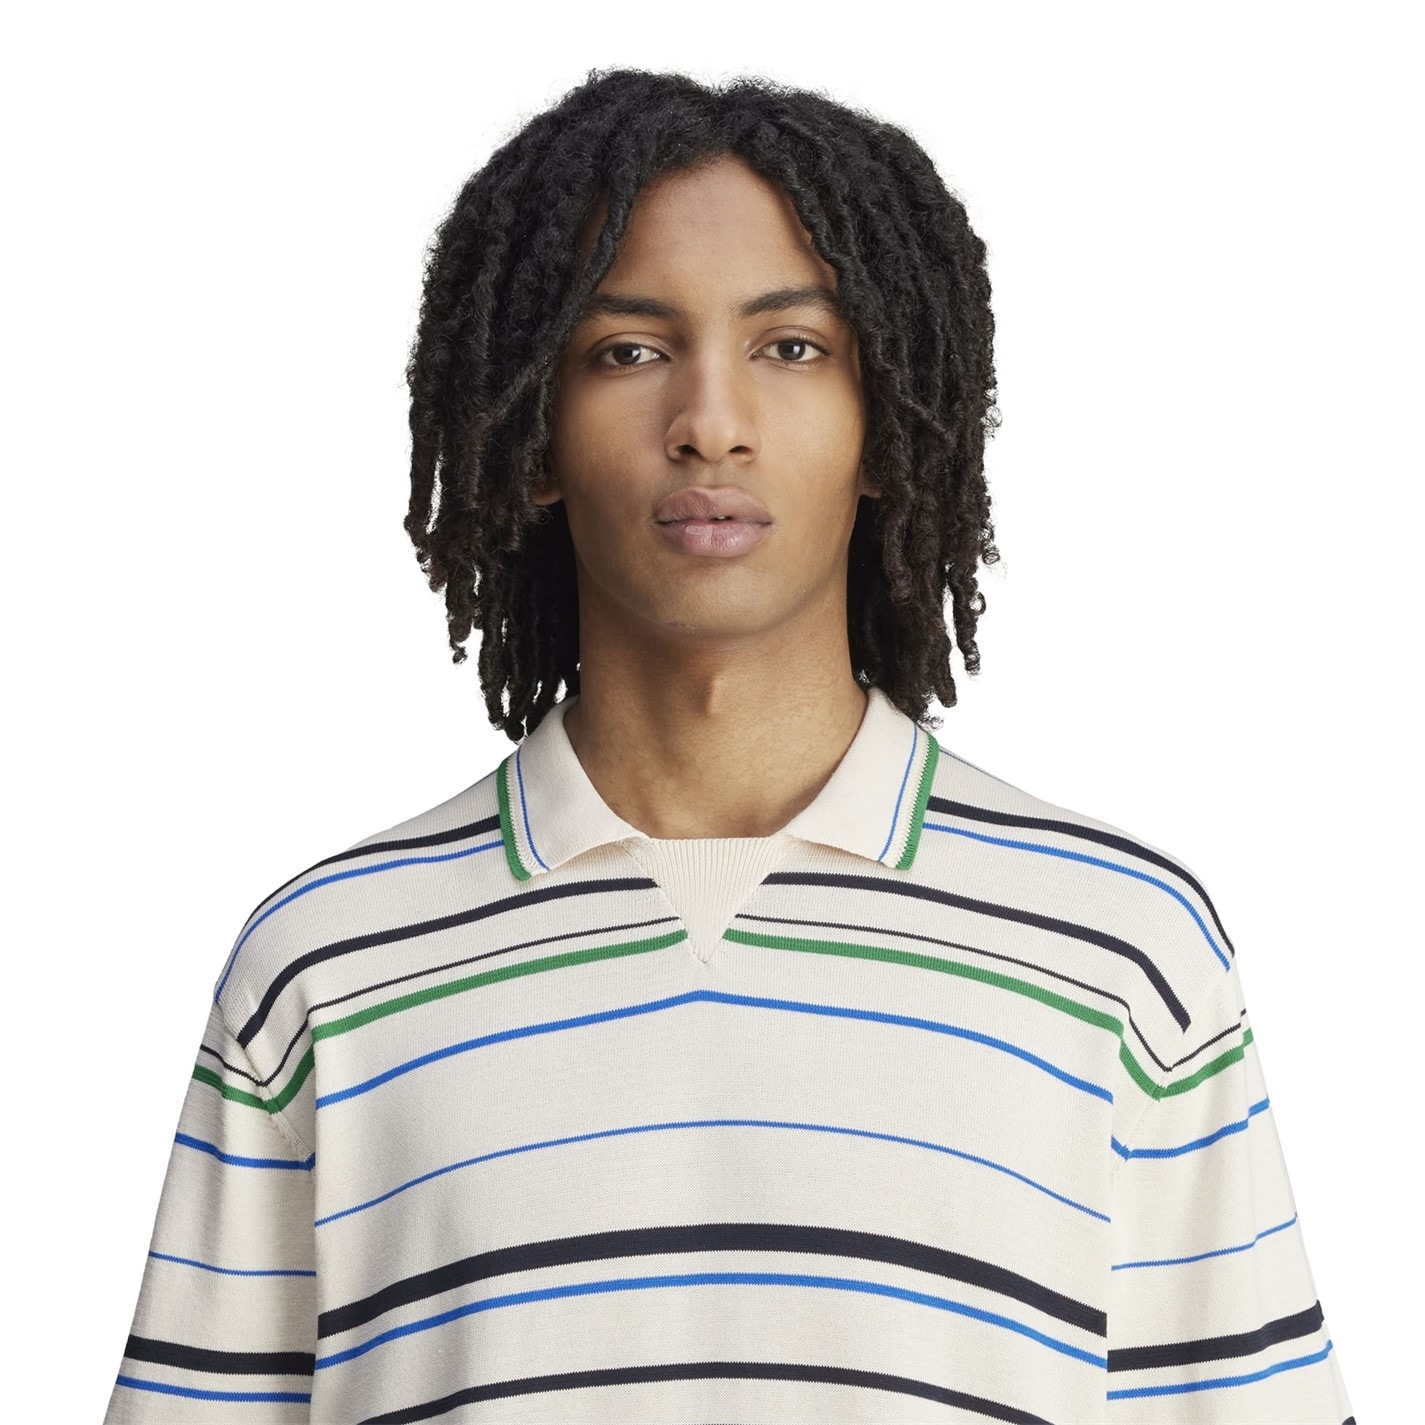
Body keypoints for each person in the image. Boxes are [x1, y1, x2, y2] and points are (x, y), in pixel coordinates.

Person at [105, 67, 1355, 1424]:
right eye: (627, 351)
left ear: (887, 423)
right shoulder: (326, 970)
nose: (710, 422)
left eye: (792, 347)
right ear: (534, 434)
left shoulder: (1119, 952)